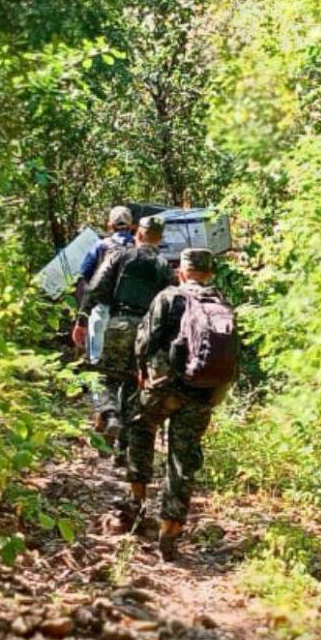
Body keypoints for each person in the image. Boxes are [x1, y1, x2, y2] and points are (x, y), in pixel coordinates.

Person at [124, 247, 238, 562]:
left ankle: (136, 502)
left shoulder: (169, 297)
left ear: (182, 271)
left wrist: (142, 373)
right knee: (183, 457)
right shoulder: (222, 303)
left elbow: (144, 341)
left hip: (164, 388)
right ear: (210, 273)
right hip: (201, 392)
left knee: (139, 424)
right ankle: (170, 529)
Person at [73, 215, 174, 449]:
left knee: (104, 376)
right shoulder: (164, 267)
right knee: (132, 382)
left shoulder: (120, 255)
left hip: (119, 323)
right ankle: (123, 447)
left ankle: (110, 416)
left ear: (138, 232)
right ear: (160, 238)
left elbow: (96, 287)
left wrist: (82, 318)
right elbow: (171, 303)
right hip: (147, 330)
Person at [73, 206, 136, 366]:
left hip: (102, 308)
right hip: (133, 313)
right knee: (128, 360)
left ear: (110, 225)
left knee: (96, 357)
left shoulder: (100, 246)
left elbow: (83, 278)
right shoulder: (140, 249)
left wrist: (81, 316)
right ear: (131, 225)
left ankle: (97, 390)